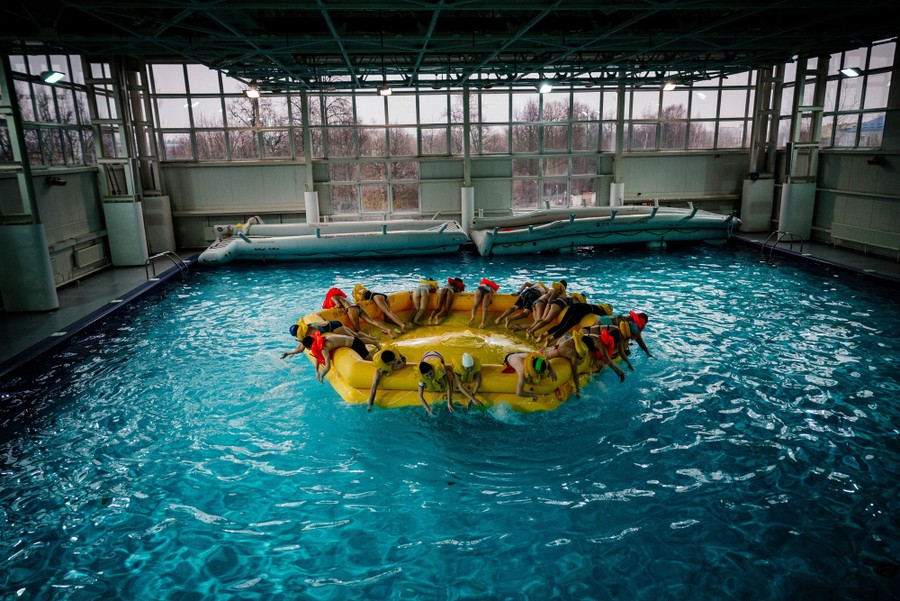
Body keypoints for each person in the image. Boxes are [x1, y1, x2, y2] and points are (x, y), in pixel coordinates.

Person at [281, 318, 379, 359]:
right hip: (333, 323)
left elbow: (301, 348)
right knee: (355, 335)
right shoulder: (307, 327)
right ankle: (372, 339)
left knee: (355, 338)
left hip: (334, 327)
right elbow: (300, 345)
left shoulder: (308, 333)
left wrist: (289, 353)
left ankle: (374, 342)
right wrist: (292, 352)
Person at [301, 331, 375, 382]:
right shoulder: (321, 339)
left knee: (371, 362)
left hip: (356, 344)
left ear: (310, 346)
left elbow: (328, 366)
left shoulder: (323, 348)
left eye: (307, 348)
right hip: (354, 341)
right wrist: (316, 371)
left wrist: (322, 376)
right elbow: (317, 356)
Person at [538, 328, 591, 398]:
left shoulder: (569, 340)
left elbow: (563, 338)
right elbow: (575, 375)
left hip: (545, 350)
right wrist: (578, 391)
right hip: (542, 358)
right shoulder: (573, 354)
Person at [323, 287, 394, 336]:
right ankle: (387, 330)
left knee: (357, 330)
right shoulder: (342, 297)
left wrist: (334, 307)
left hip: (351, 309)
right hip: (357, 307)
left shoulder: (332, 297)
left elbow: (338, 305)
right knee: (371, 321)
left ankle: (370, 337)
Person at [539, 301, 614, 344]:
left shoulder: (595, 306)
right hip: (579, 311)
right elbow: (602, 319)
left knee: (561, 324)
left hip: (575, 306)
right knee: (565, 327)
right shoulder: (600, 312)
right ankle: (550, 340)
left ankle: (544, 335)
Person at [366, 344, 407, 411]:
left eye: (395, 359)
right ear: (387, 364)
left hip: (385, 351)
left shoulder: (393, 352)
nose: (395, 360)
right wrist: (370, 405)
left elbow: (403, 358)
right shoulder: (380, 369)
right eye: (393, 361)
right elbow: (373, 388)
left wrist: (402, 364)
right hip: (377, 356)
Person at [415, 350, 454, 415]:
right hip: (425, 356)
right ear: (423, 376)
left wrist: (449, 402)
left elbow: (448, 385)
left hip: (437, 354)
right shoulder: (421, 377)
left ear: (433, 369)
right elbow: (420, 396)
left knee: (443, 382)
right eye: (427, 376)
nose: (430, 377)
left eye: (430, 373)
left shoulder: (439, 368)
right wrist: (428, 410)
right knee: (428, 384)